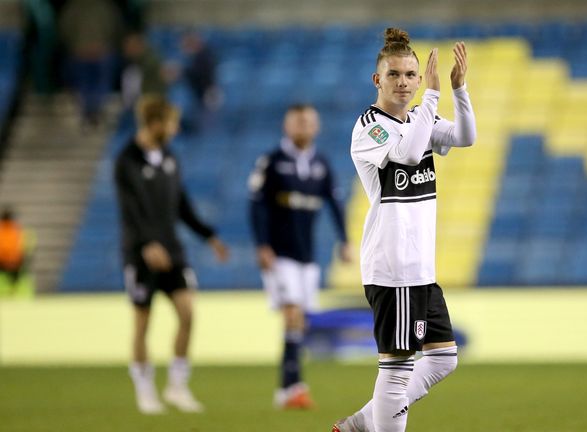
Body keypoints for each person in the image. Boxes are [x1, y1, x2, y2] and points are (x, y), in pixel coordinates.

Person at [333, 28, 476, 432]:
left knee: (444, 357)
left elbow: (466, 136)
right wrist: (432, 96)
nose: (404, 82)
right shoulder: (369, 127)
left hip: (420, 268)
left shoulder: (419, 118)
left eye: (411, 75)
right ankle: (368, 423)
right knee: (397, 370)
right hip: (392, 266)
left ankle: (362, 422)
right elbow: (410, 153)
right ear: (377, 79)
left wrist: (458, 89)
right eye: (394, 74)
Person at [115, 95, 229, 414]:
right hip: (141, 254)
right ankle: (144, 390)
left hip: (173, 252)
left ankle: (177, 386)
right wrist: (146, 243)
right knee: (143, 322)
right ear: (154, 124)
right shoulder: (127, 160)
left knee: (187, 313)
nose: (175, 129)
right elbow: (129, 210)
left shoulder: (170, 158)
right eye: (171, 123)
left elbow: (182, 205)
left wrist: (209, 237)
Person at [248, 104, 352, 409]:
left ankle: (288, 387)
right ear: (287, 125)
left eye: (309, 121)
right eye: (298, 121)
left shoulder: (320, 163)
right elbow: (256, 205)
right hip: (280, 254)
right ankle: (293, 388)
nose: (304, 126)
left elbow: (334, 203)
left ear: (316, 126)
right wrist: (262, 245)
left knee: (299, 321)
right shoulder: (272, 161)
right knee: (292, 313)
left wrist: (344, 241)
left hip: (307, 257)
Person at [0, 207, 26, 291]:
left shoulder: (13, 229)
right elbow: (18, 248)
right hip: (12, 261)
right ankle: (13, 290)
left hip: (6, 261)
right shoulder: (16, 229)